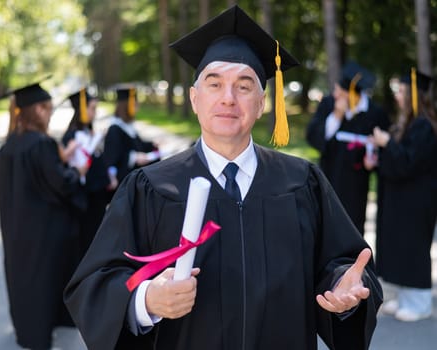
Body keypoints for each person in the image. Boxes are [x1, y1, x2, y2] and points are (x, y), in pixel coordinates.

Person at [64, 5, 382, 350]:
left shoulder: (301, 182)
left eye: (244, 86)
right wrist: (146, 301)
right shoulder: (151, 187)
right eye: (214, 84)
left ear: (262, 104)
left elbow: (343, 265)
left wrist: (343, 286)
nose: (228, 98)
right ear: (195, 98)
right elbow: (94, 284)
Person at [0, 79, 89, 349]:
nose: (50, 113)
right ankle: (53, 324)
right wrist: (77, 172)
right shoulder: (41, 144)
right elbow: (60, 183)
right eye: (47, 108)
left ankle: (30, 333)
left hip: (15, 230)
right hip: (44, 230)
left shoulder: (7, 147)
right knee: (46, 280)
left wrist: (61, 157)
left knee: (23, 280)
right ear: (36, 110)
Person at [364, 68, 437, 322]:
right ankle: (403, 297)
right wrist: (379, 154)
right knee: (398, 245)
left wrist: (388, 144)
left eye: (403, 91)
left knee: (413, 247)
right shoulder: (406, 123)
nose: (398, 96)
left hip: (417, 201)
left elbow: (408, 162)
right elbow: (396, 162)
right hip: (400, 199)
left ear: (415, 95)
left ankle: (419, 303)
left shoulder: (425, 126)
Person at [306, 61, 391, 234]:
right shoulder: (329, 105)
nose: (335, 94)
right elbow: (313, 137)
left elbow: (384, 151)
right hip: (329, 178)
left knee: (353, 229)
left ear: (352, 94)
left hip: (356, 186)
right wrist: (337, 115)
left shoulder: (375, 113)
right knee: (325, 226)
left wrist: (374, 160)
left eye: (340, 91)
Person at [61, 88, 117, 259]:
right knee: (87, 240)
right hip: (85, 199)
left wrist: (109, 176)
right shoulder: (71, 136)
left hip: (97, 195)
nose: (95, 112)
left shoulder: (91, 132)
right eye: (92, 108)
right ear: (82, 110)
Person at [103, 83, 160, 186]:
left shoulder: (128, 125)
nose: (137, 107)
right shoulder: (114, 129)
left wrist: (151, 145)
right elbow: (112, 159)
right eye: (135, 104)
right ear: (126, 106)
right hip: (125, 183)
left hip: (135, 176)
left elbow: (137, 144)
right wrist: (133, 157)